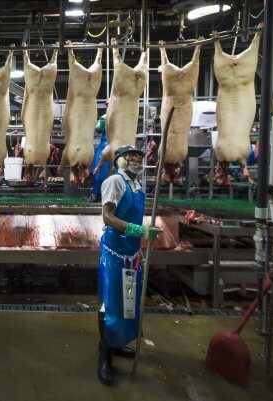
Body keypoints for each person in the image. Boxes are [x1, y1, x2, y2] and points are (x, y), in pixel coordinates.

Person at [97, 145, 162, 386]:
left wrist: (139, 245)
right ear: (121, 162)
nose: (137, 162)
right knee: (111, 305)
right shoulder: (115, 181)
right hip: (114, 253)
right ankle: (104, 356)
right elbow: (107, 217)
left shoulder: (136, 186)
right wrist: (139, 230)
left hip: (131, 254)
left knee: (128, 303)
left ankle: (118, 344)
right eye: (132, 158)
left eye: (139, 158)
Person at [90, 115, 111, 202]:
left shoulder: (105, 117)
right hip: (115, 146)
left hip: (104, 145)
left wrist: (101, 124)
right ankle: (110, 196)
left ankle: (97, 195)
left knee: (99, 172)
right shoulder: (121, 116)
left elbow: (98, 131)